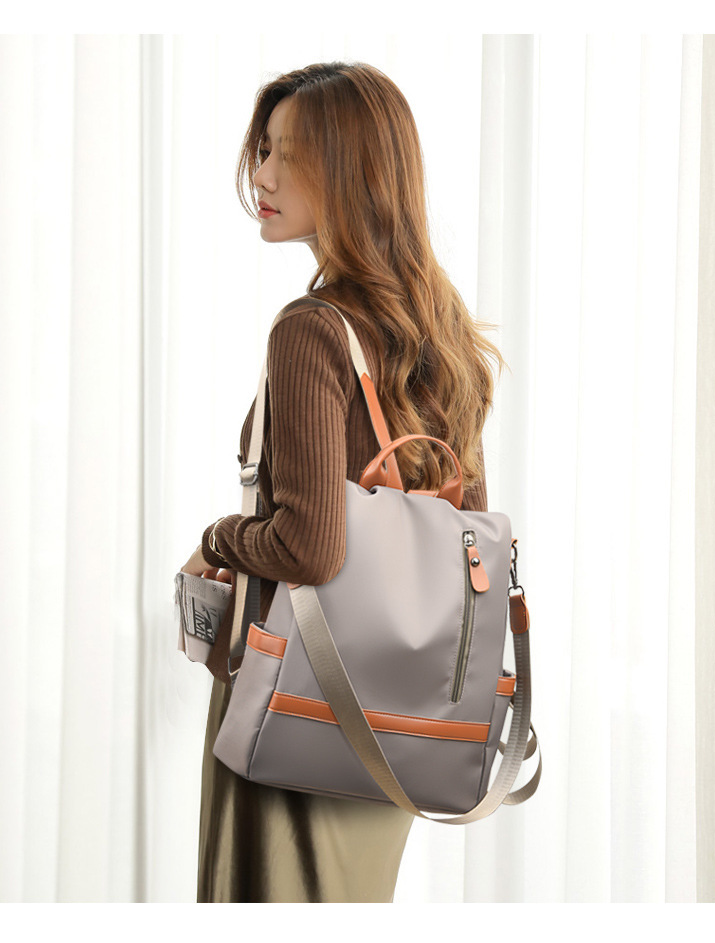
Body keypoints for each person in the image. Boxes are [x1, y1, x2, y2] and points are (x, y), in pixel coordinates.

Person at [180, 60, 506, 903]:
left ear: (352, 171)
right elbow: (460, 534)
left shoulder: (310, 330)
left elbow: (310, 546)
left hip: (298, 704)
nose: (261, 176)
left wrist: (219, 538)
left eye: (288, 154)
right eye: (262, 151)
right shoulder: (442, 330)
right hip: (398, 726)